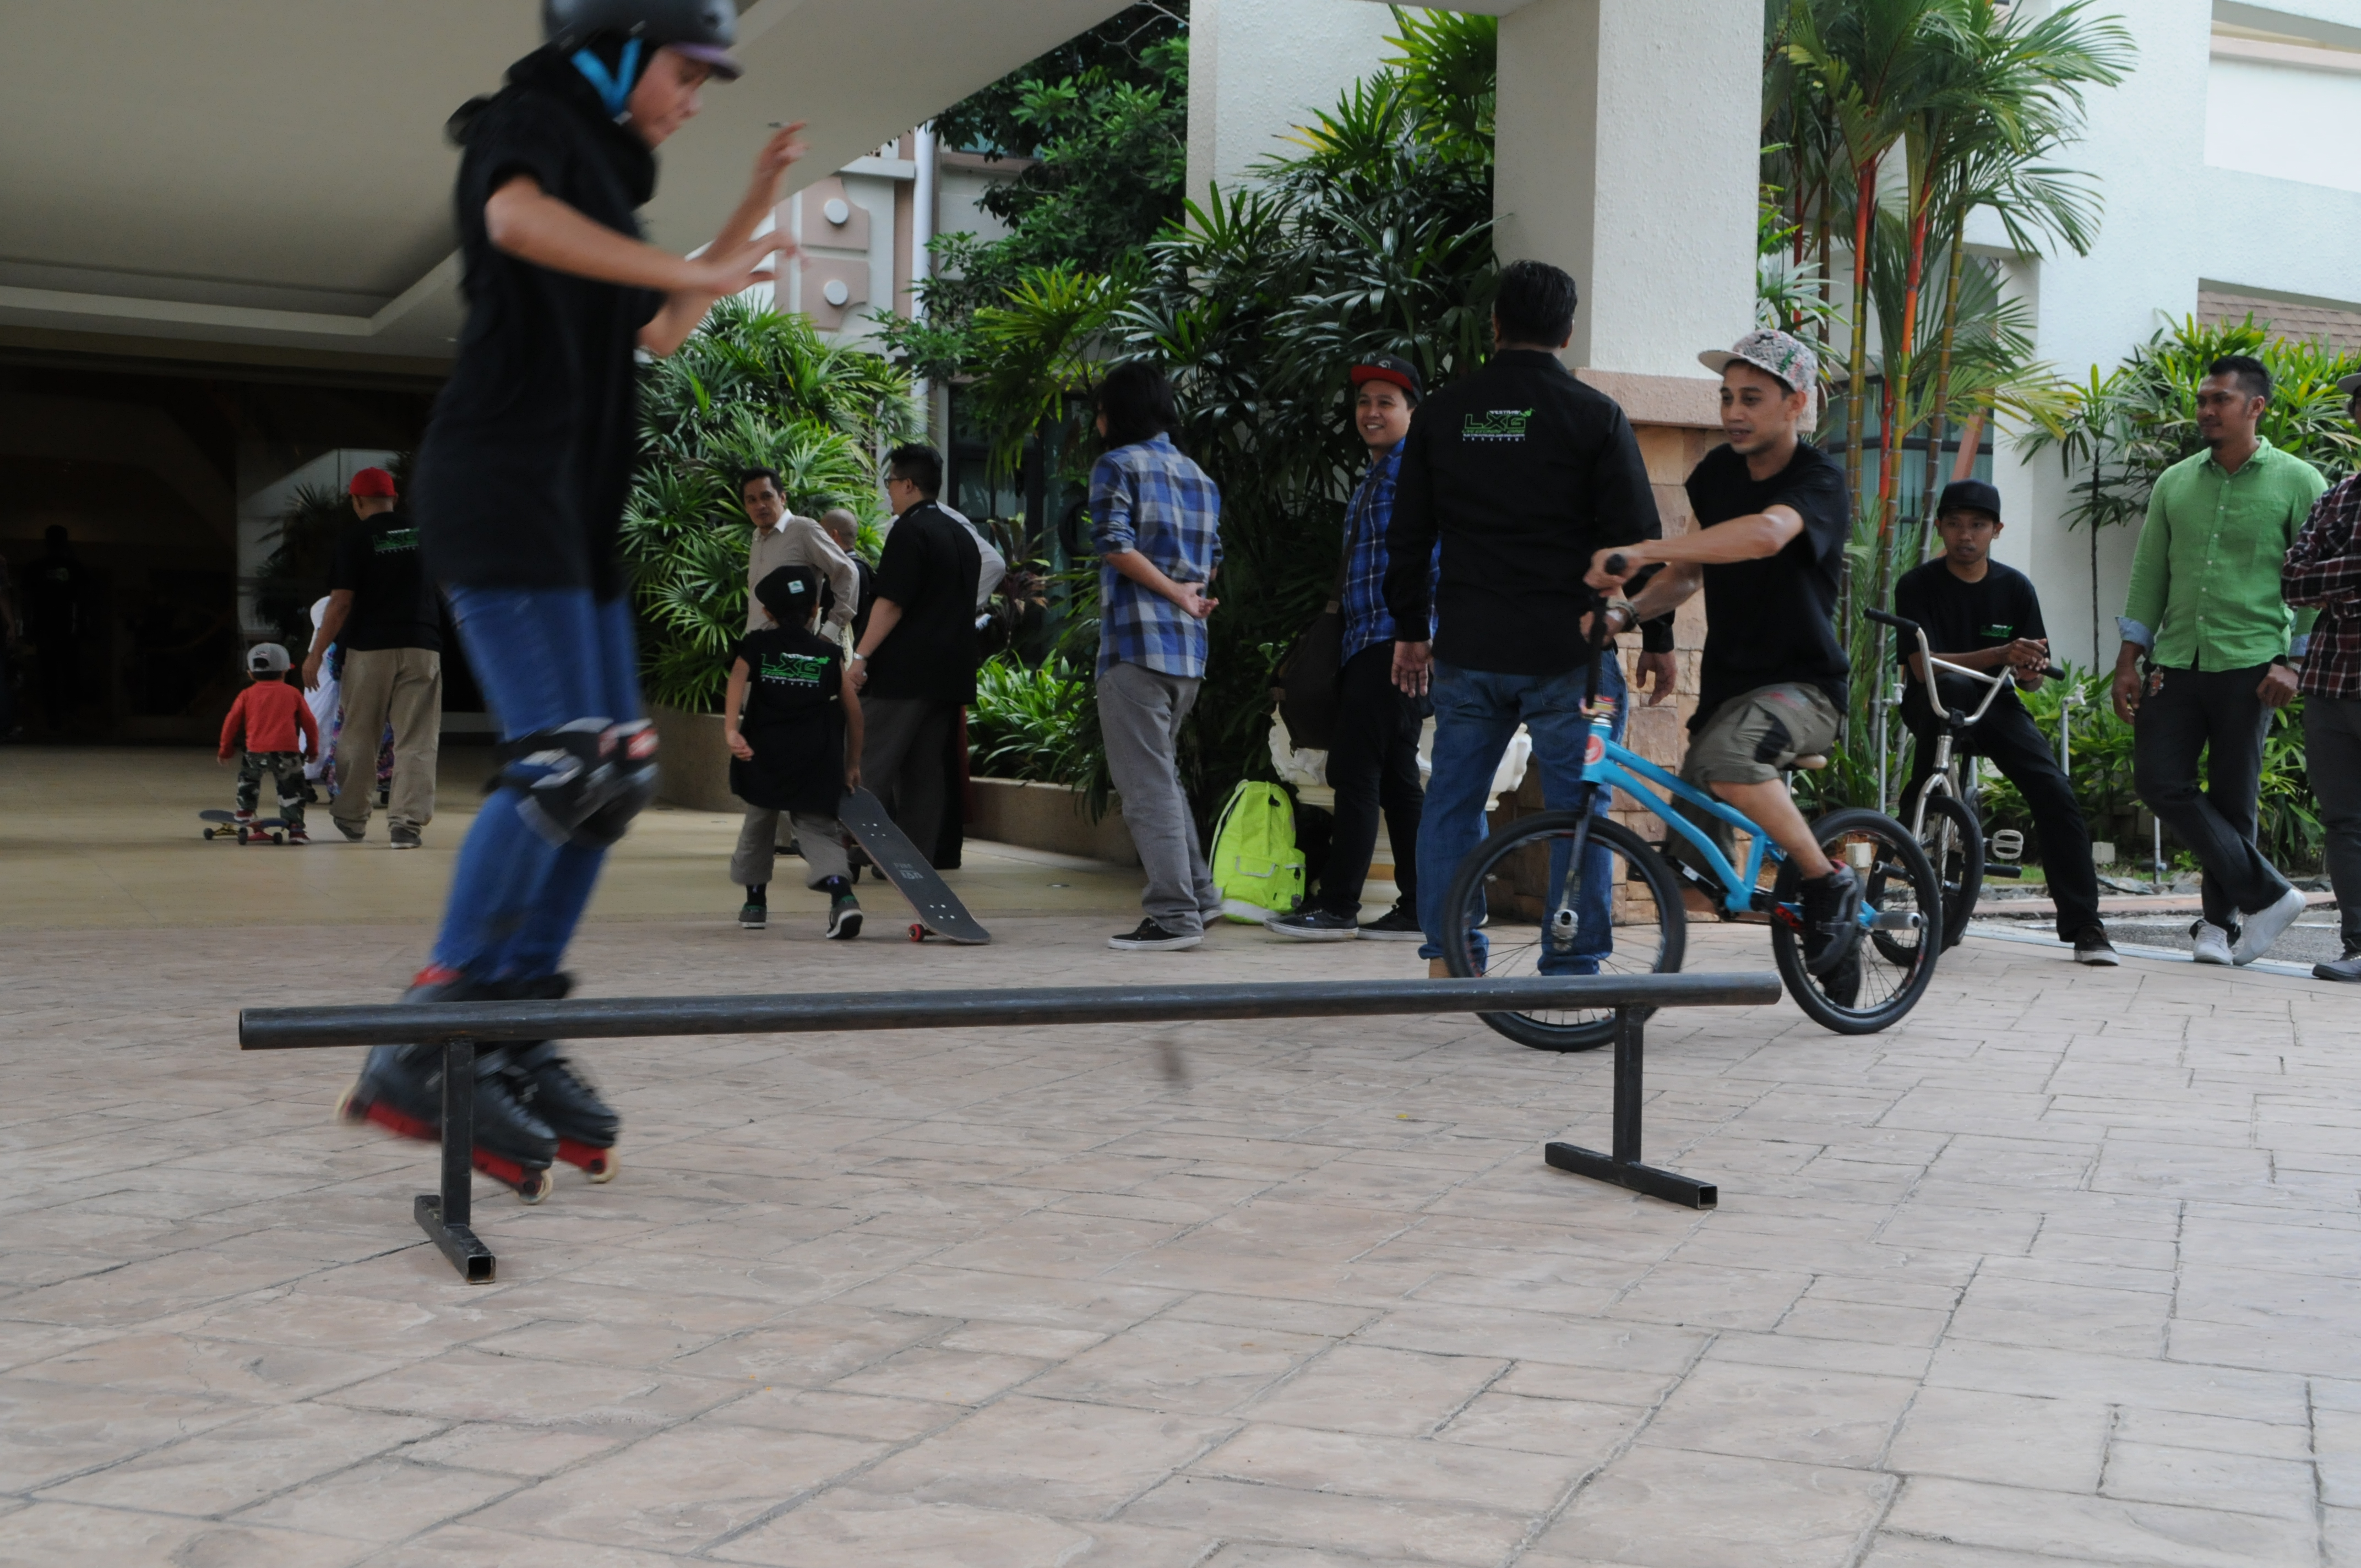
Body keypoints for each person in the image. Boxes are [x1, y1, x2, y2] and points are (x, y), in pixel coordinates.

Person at [340, 0, 799, 1196]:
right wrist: (693, 261)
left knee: (615, 772)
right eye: (685, 72)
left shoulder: (604, 182)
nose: (694, 97)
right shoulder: (530, 117)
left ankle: (510, 1025)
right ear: (617, 42)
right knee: (561, 761)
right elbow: (511, 217)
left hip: (571, 510)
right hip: (501, 484)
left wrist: (746, 211)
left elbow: (662, 330)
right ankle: (427, 1035)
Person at [1388, 261, 1676, 977]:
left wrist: (1412, 632)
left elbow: (1409, 535)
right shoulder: (1594, 416)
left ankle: (1451, 956)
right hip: (1571, 658)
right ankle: (1572, 966)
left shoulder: (1443, 414)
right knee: (1581, 809)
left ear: (1495, 325)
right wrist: (1657, 635)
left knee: (1451, 802)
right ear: (1568, 331)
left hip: (1469, 650)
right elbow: (1637, 542)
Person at [1588, 328, 1864, 974]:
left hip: (1805, 690)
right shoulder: (1715, 474)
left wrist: (1646, 549)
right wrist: (1624, 613)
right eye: (1726, 397)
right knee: (1690, 881)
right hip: (1728, 696)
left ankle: (1829, 884)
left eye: (1751, 398)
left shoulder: (1818, 479)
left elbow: (1766, 534)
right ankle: (1814, 926)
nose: (1733, 412)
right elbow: (1687, 576)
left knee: (1728, 758)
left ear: (1795, 404)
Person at [2113, 354, 2322, 967]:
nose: (2205, 410)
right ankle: (2272, 895)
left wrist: (2295, 663)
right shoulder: (2175, 482)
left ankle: (2216, 926)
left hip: (2254, 662)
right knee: (2158, 780)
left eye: (2219, 400)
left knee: (2233, 798)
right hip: (2177, 658)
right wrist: (2128, 659)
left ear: (2255, 406)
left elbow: (2315, 583)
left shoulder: (2298, 481)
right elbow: (2149, 575)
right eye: (2202, 399)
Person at [1894, 481, 2116, 964]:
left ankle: (2086, 926)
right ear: (1940, 527)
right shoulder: (1917, 585)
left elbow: (2031, 681)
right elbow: (1922, 668)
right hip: (1933, 701)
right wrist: (1999, 653)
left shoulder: (2015, 588)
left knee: (2054, 790)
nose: (1965, 535)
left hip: (1996, 702)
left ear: (1996, 530)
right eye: (1955, 524)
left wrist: (2029, 669)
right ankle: (1911, 825)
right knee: (1947, 707)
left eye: (1977, 525)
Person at [1269, 353, 1433, 942]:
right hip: (1370, 640)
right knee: (1395, 778)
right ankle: (1421, 905)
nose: (1371, 412)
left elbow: (1432, 559)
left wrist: (1421, 636)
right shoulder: (1376, 475)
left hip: (1395, 643)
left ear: (1412, 411)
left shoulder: (1415, 473)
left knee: (1354, 769)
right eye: (1364, 402)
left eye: (1386, 402)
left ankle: (1338, 906)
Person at [1089, 362, 1227, 951]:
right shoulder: (1199, 476)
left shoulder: (1116, 464)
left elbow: (1113, 543)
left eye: (1099, 412)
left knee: (1145, 788)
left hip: (1135, 645)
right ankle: (1201, 896)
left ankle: (1173, 915)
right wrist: (1186, 594)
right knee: (1160, 778)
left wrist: (1169, 591)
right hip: (1188, 653)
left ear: (1114, 415)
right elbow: (1212, 561)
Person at [847, 443, 980, 859]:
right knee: (924, 774)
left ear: (908, 485)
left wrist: (860, 658)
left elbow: (891, 602)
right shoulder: (962, 535)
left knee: (868, 761)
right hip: (949, 676)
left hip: (902, 675)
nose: (888, 491)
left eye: (890, 482)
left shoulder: (909, 530)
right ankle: (911, 861)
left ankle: (846, 847)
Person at [302, 467, 443, 847]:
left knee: (359, 735)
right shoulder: (424, 534)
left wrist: (316, 654)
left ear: (357, 501)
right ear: (393, 498)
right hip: (421, 646)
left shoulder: (355, 538)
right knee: (417, 739)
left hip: (369, 650)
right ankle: (406, 825)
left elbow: (340, 603)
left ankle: (352, 817)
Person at [725, 564, 863, 937]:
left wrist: (731, 731)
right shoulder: (828, 653)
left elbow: (737, 679)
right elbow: (854, 714)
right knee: (819, 831)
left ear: (767, 612)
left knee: (759, 827)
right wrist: (852, 764)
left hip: (764, 757)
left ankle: (755, 904)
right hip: (815, 761)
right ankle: (843, 897)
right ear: (816, 610)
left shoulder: (757, 645)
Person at [2283, 371, 2361, 983]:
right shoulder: (2335, 498)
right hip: (2332, 682)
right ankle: (2358, 945)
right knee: (2344, 822)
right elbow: (2292, 580)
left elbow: (2316, 575)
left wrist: (2335, 578)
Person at [218, 643, 319, 842]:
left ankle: (245, 811)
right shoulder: (293, 693)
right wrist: (312, 749)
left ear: (250, 673)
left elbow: (231, 722)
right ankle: (296, 829)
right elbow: (310, 722)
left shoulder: (246, 695)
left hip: (255, 751)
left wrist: (225, 749)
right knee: (292, 789)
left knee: (248, 780)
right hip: (287, 753)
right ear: (284, 672)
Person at [739, 467, 858, 638]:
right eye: (752, 500)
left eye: (766, 496)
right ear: (746, 506)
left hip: (793, 645)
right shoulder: (757, 537)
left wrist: (830, 633)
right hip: (756, 644)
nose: (760, 506)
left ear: (782, 498)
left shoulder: (803, 530)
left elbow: (848, 573)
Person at [25, 525, 87, 734]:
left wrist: (29, 628)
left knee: (53, 674)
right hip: (63, 629)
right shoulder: (73, 567)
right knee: (65, 673)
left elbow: (29, 600)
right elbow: (83, 599)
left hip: (55, 629)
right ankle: (63, 717)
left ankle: (57, 719)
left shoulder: (39, 567)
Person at [818, 507, 876, 644]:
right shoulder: (863, 569)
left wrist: (821, 642)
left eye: (820, 534)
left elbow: (842, 614)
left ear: (833, 535)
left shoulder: (846, 571)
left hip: (839, 648)